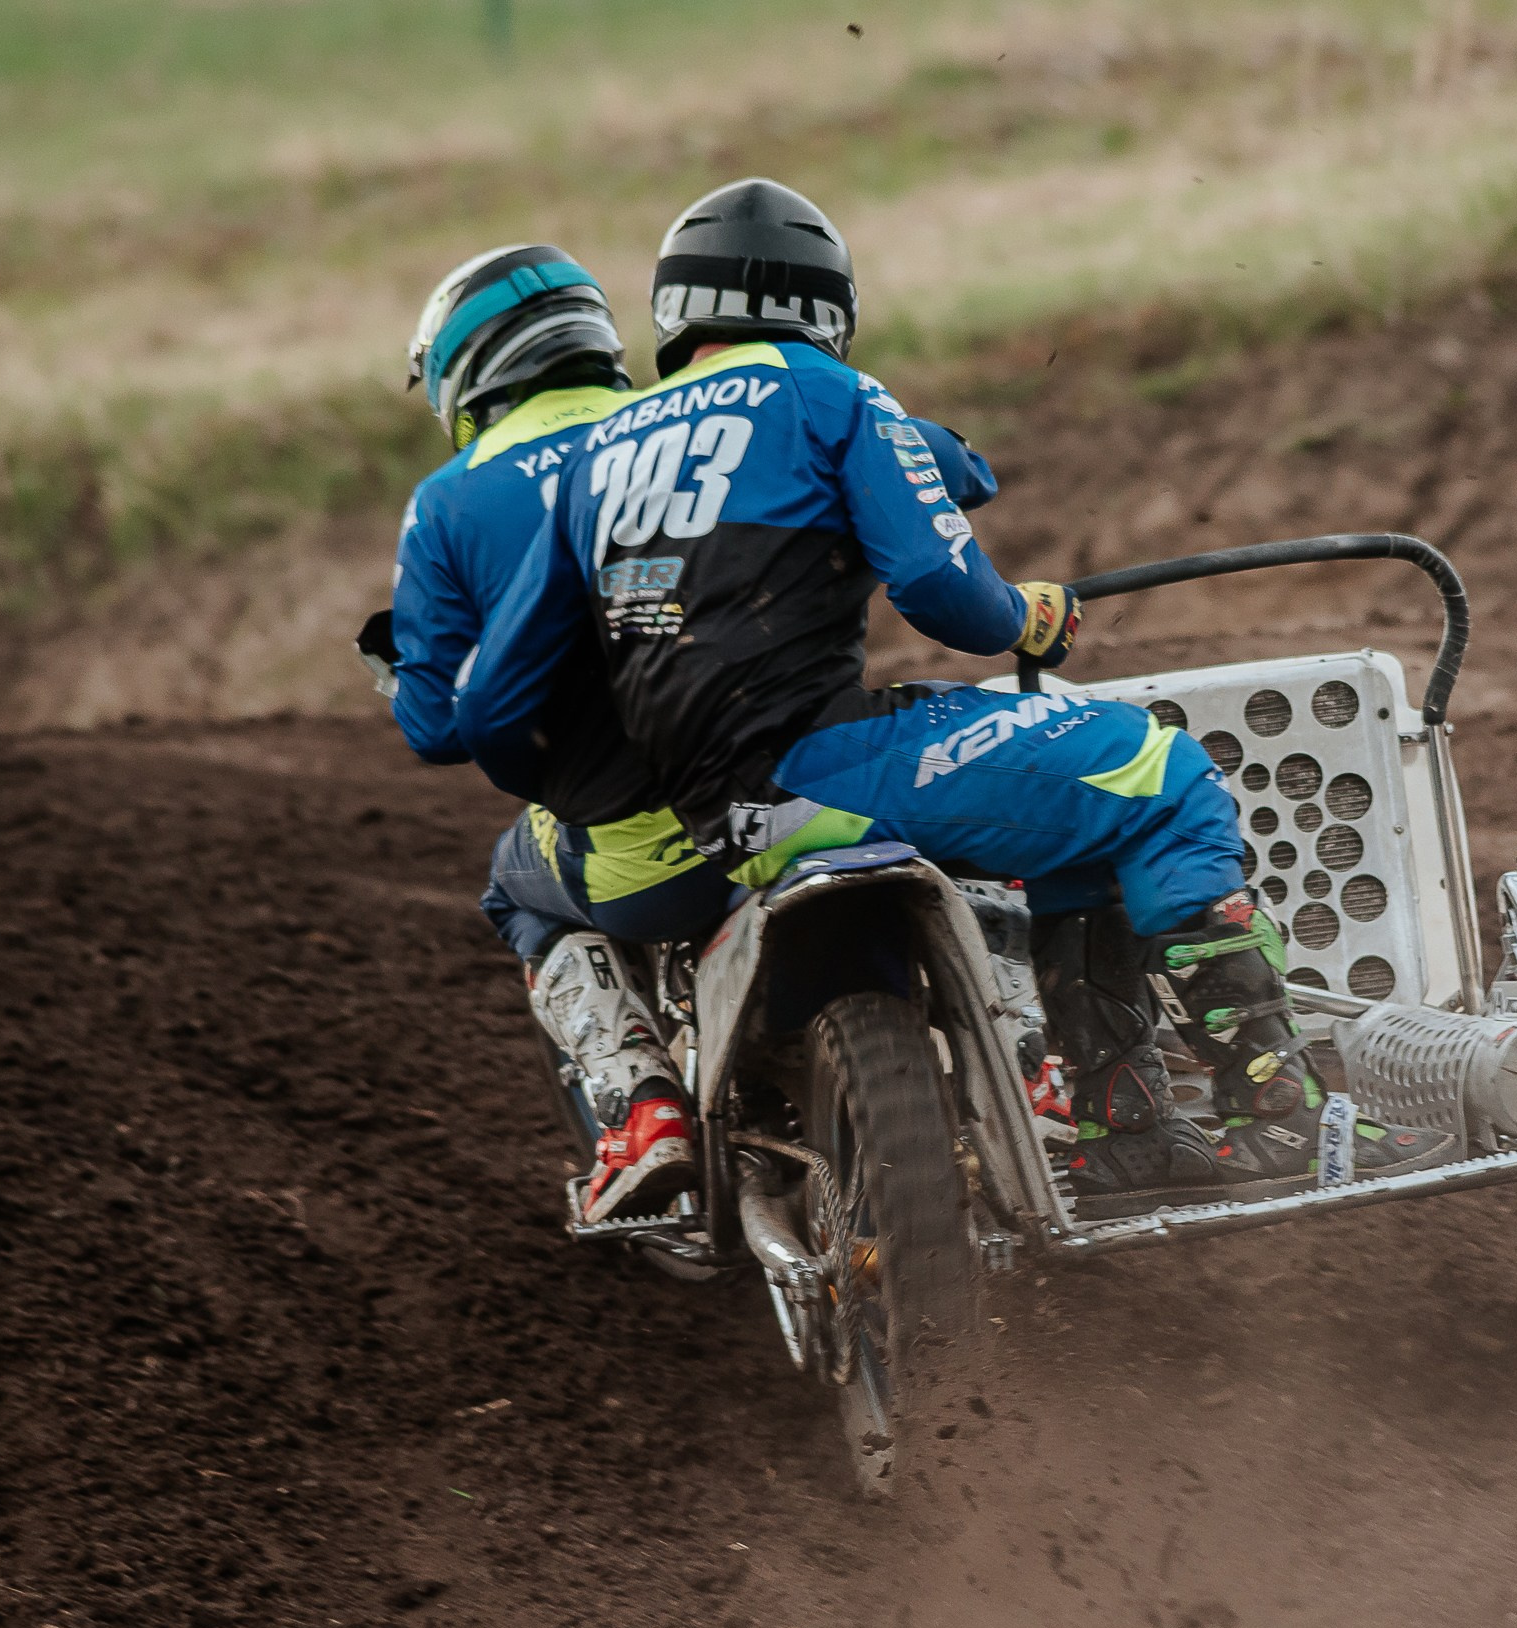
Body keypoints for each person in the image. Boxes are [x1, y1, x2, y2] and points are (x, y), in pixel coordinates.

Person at [457, 181, 1458, 1200]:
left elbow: (496, 698)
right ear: (826, 304)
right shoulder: (830, 393)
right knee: (1154, 772)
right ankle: (1279, 1117)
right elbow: (945, 595)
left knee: (1073, 817)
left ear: (674, 313)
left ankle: (1133, 1130)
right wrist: (1028, 617)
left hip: (699, 812)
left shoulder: (598, 455)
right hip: (820, 761)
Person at [358, 241, 999, 1223]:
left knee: (514, 883)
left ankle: (640, 1102)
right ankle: (1025, 1059)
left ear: (462, 370)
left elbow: (439, 725)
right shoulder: (692, 417)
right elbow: (932, 465)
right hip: (800, 774)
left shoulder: (450, 500)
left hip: (638, 842)